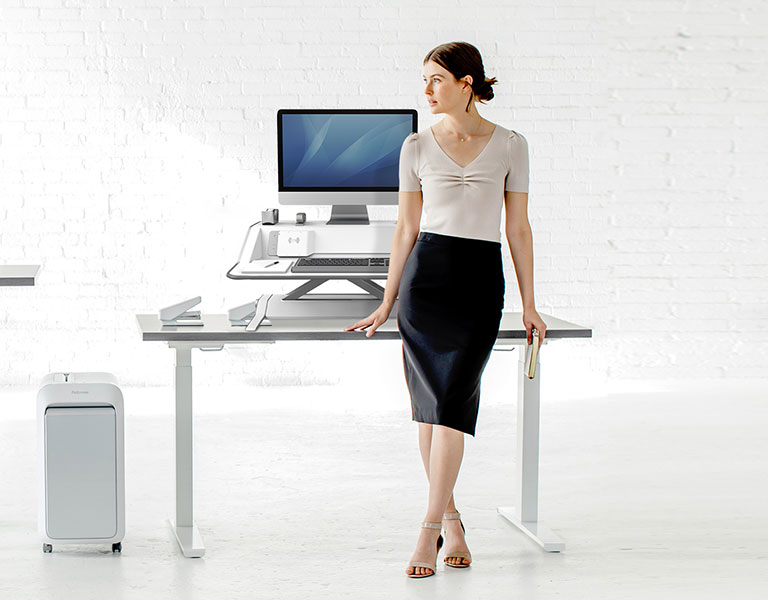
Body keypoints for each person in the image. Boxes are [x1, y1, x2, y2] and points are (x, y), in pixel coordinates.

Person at [345, 41, 547, 578]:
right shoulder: (415, 146)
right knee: (431, 407)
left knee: (454, 402)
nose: (427, 89)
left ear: (466, 82)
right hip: (424, 283)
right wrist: (387, 300)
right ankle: (448, 519)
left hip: (480, 281)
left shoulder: (511, 145)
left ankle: (428, 527)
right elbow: (405, 230)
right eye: (425, 79)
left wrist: (531, 304)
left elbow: (518, 229)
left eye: (436, 79)